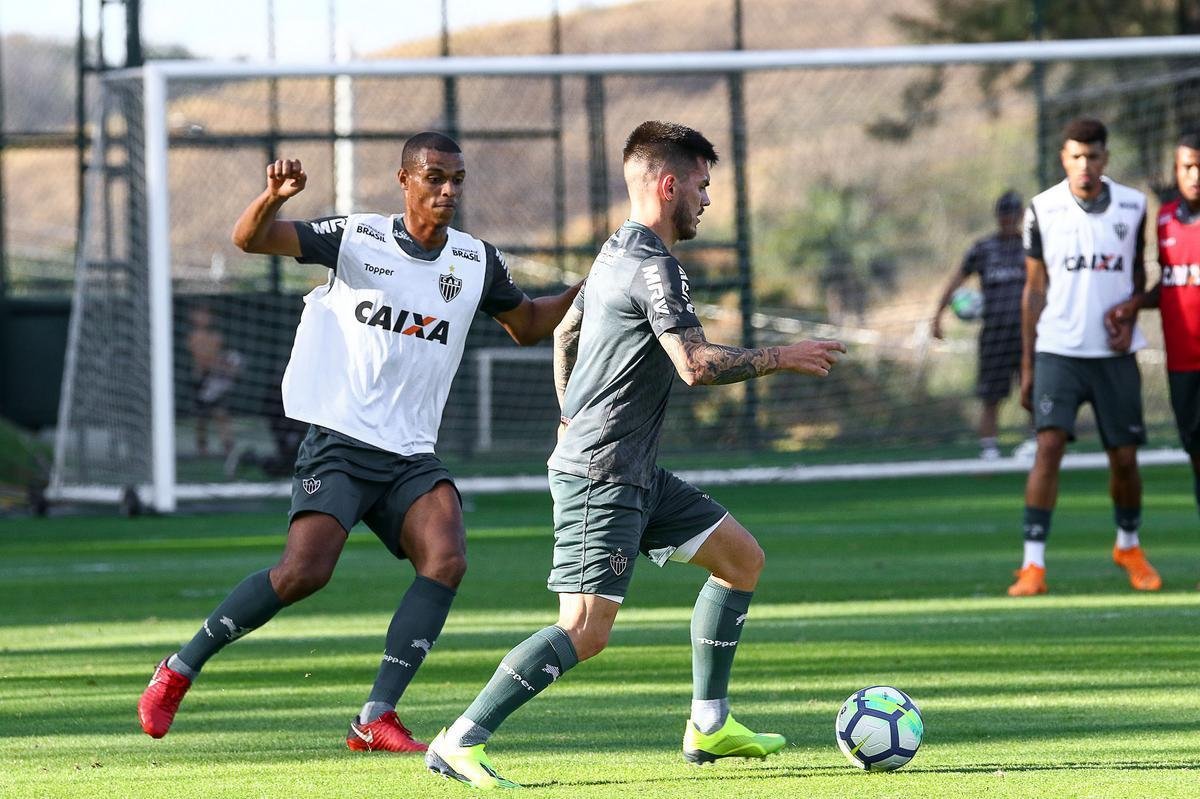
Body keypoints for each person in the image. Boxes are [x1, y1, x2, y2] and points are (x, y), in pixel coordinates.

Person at [423, 121, 846, 789]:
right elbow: (696, 365)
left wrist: (568, 412)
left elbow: (565, 331)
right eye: (703, 186)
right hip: (602, 477)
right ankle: (460, 739)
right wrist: (784, 357)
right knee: (585, 631)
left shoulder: (616, 250)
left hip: (630, 469)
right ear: (669, 184)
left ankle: (709, 722)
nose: (708, 200)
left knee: (741, 560)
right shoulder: (654, 266)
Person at [137, 132, 581, 752]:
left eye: (457, 179)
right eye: (434, 177)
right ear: (405, 180)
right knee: (302, 575)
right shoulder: (357, 238)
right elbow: (251, 239)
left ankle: (376, 716)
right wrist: (271, 198)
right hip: (341, 442)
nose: (448, 189)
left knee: (447, 560)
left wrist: (591, 289)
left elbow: (528, 325)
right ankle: (180, 667)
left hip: (410, 454)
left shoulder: (475, 260)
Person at [1007, 117, 1160, 597]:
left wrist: (1129, 315)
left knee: (1125, 457)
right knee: (1048, 448)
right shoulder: (1042, 208)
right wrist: (1028, 366)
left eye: (1093, 156)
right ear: (1063, 158)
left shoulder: (1134, 206)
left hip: (1114, 356)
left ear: (1105, 158)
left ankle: (1128, 546)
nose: (1085, 165)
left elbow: (1136, 276)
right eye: (1075, 156)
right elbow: (1034, 291)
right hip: (1058, 351)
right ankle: (1032, 565)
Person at [1106, 132, 1200, 582]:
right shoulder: (1165, 220)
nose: (1195, 176)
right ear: (1177, 170)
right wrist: (1132, 305)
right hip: (1183, 361)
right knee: (1197, 457)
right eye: (1187, 167)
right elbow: (1170, 287)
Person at [932, 190, 1028, 460]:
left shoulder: (1031, 246)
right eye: (1004, 214)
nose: (1008, 219)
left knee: (1032, 389)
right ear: (998, 216)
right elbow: (956, 280)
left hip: (1028, 334)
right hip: (994, 335)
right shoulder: (983, 248)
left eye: (1013, 214)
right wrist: (937, 316)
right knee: (990, 395)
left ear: (1020, 215)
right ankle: (989, 449)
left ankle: (1034, 443)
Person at [187, 303, 240, 460]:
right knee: (202, 418)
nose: (203, 318)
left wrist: (226, 367)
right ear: (193, 316)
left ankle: (228, 447)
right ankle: (201, 448)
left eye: (206, 314)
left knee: (222, 414)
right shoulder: (193, 336)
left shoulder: (217, 336)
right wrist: (219, 365)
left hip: (216, 381)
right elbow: (202, 360)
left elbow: (223, 358)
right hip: (201, 382)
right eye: (199, 314)